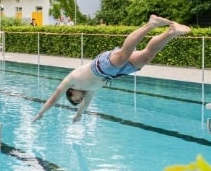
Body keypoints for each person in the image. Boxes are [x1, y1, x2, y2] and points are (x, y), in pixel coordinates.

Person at [34, 15, 191, 123]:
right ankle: (171, 32)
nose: (79, 100)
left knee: (124, 54)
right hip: (114, 74)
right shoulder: (89, 91)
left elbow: (54, 98)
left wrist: (40, 113)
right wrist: (78, 115)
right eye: (78, 101)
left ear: (71, 92)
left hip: (100, 67)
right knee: (146, 57)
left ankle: (151, 24)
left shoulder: (70, 81)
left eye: (75, 99)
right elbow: (85, 105)